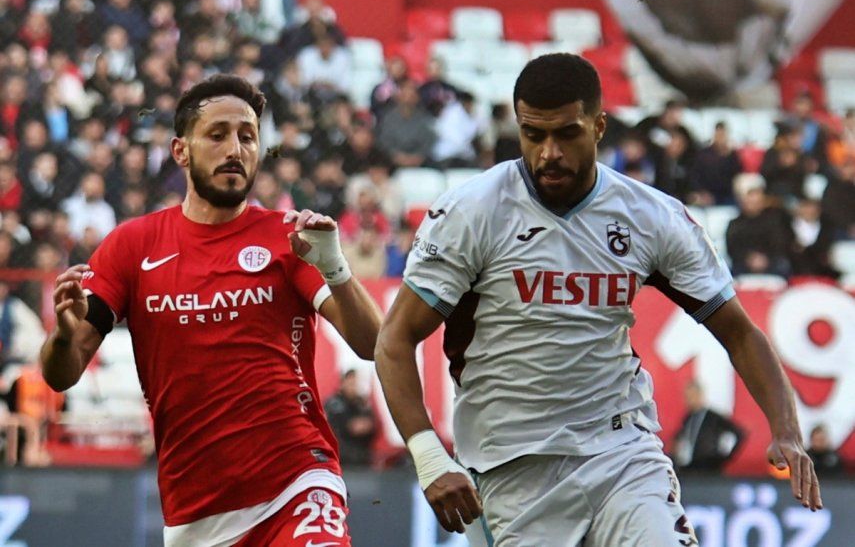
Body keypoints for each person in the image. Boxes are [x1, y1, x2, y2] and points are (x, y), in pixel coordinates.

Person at [374, 54, 822, 546]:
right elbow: (395, 339)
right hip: (510, 467)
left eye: (566, 133)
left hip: (620, 451)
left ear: (599, 126)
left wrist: (786, 429)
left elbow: (738, 331)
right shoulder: (472, 212)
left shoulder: (651, 217)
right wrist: (429, 455)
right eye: (533, 134)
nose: (548, 153)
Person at [39, 75, 383, 546]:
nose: (235, 149)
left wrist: (336, 266)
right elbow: (62, 373)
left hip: (298, 483)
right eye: (217, 135)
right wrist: (63, 334)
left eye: (248, 136)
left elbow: (373, 344)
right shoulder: (131, 246)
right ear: (181, 151)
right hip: (196, 516)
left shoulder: (289, 238)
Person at [672, 380, 744, 473]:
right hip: (689, 468)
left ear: (700, 395)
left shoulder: (713, 417)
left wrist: (723, 457)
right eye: (686, 397)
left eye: (691, 396)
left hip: (709, 469)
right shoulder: (688, 417)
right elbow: (679, 438)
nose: (688, 400)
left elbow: (739, 433)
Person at [324, 369, 377, 467]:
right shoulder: (334, 402)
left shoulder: (361, 403)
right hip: (341, 458)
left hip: (362, 458)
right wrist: (355, 425)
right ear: (343, 383)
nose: (353, 386)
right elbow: (346, 427)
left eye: (355, 383)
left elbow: (371, 425)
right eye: (350, 383)